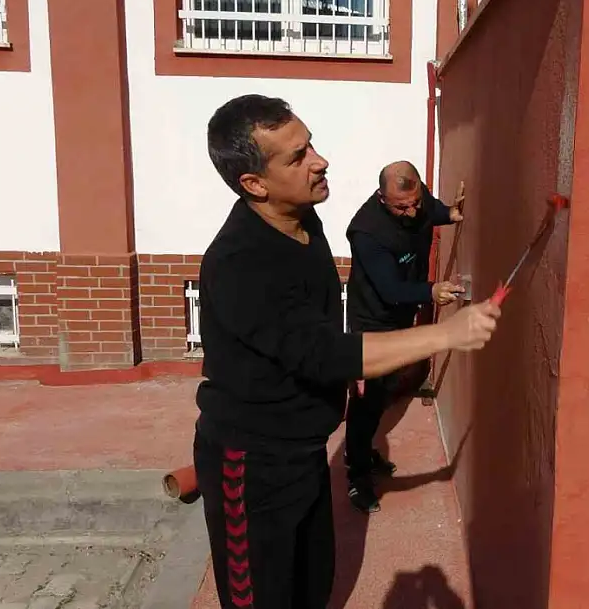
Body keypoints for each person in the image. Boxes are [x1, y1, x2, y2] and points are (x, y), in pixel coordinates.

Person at [192, 94, 501, 609]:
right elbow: (322, 352)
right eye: (297, 156)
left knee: (314, 586)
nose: (320, 159)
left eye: (310, 143)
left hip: (305, 451)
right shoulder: (240, 262)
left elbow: (314, 335)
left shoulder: (304, 224)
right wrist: (447, 334)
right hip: (252, 466)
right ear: (254, 184)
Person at [342, 160, 465, 513]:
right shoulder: (367, 232)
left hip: (398, 318)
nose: (411, 212)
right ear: (382, 198)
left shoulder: (416, 199)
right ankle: (356, 475)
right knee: (366, 400)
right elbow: (391, 288)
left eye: (415, 202)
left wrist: (450, 212)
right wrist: (431, 291)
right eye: (401, 207)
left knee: (383, 394)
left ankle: (363, 450)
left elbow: (430, 211)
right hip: (373, 324)